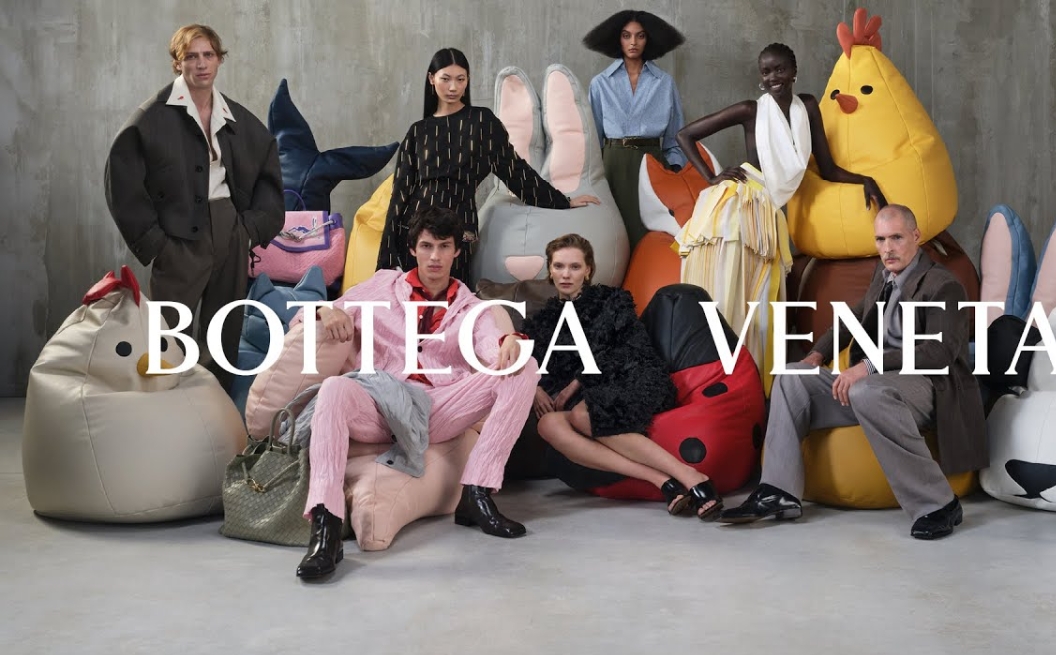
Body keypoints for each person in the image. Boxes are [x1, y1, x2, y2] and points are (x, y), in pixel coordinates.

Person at [296, 206, 540, 581]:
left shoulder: (472, 308)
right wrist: (324, 311)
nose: (434, 256)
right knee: (334, 388)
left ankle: (476, 492)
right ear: (413, 249)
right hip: (380, 404)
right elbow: (304, 316)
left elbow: (491, 346)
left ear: (457, 251)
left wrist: (510, 341)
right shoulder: (381, 286)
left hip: (438, 409)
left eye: (444, 246)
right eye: (426, 246)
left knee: (525, 366)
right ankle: (326, 527)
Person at [718, 204, 988, 540]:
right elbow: (853, 319)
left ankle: (939, 505)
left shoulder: (943, 285)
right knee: (791, 377)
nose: (887, 248)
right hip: (877, 387)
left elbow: (939, 352)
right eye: (880, 240)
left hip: (929, 386)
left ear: (916, 236)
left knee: (865, 389)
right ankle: (779, 492)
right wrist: (816, 355)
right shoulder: (883, 276)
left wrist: (868, 366)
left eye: (896, 238)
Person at [674, 42, 887, 397]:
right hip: (737, 211)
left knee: (760, 311)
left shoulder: (809, 107)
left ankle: (752, 392)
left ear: (794, 70)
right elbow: (685, 135)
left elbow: (827, 168)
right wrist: (711, 177)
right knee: (727, 302)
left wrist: (865, 179)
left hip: (768, 213)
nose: (773, 77)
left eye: (779, 69)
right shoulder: (751, 110)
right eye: (766, 71)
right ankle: (716, 389)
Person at [105, 24, 284, 393]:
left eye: (208, 55)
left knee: (224, 334)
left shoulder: (237, 118)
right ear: (177, 63)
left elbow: (268, 171)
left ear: (219, 60)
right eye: (191, 56)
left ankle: (215, 413)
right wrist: (155, 243)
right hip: (178, 239)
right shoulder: (151, 117)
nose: (201, 64)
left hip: (230, 233)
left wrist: (249, 230)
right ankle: (166, 412)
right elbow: (121, 181)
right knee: (169, 335)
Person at [525, 234, 723, 521]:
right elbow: (524, 359)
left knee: (581, 414)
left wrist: (577, 382)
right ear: (550, 270)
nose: (566, 274)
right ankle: (662, 481)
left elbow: (625, 351)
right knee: (548, 424)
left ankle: (691, 476)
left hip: (632, 376)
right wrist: (533, 386)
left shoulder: (612, 300)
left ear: (588, 270)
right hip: (588, 396)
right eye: (559, 266)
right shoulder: (542, 321)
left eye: (575, 267)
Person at [377, 48, 600, 288]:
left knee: (454, 299)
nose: (453, 87)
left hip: (457, 222)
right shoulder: (418, 131)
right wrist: (387, 254)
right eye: (446, 79)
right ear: (432, 79)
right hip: (415, 228)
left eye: (460, 79)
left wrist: (562, 200)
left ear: (468, 80)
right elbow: (400, 193)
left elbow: (515, 171)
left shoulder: (482, 121)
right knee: (410, 302)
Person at [583, 10, 686, 248]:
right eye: (626, 35)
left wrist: (673, 170)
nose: (633, 42)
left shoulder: (664, 83)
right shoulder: (600, 83)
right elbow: (593, 139)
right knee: (613, 236)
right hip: (613, 166)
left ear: (649, 39)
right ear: (617, 39)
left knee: (652, 235)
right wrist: (593, 179)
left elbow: (676, 136)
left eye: (640, 36)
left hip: (652, 163)